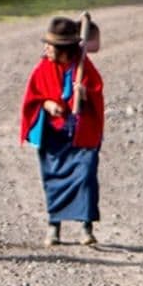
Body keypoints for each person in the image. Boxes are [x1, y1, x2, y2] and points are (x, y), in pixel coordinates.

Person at [19, 15, 105, 246]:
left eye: (50, 46)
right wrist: (47, 104)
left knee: (85, 176)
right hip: (54, 137)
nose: (46, 49)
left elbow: (97, 92)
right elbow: (33, 97)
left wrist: (85, 93)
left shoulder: (83, 67)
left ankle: (86, 227)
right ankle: (53, 226)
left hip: (80, 134)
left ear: (63, 49)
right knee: (53, 179)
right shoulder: (43, 68)